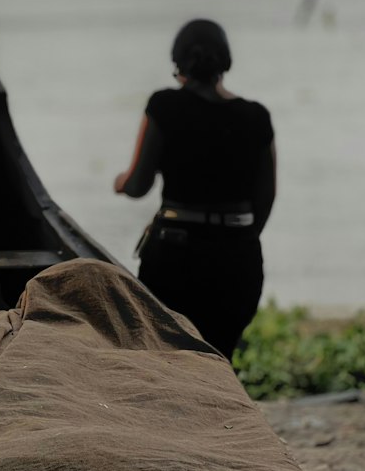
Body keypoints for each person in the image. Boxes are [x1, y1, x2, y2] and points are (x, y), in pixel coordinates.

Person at [113, 18, 275, 359]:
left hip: (175, 259)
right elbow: (264, 200)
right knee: (219, 357)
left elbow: (139, 184)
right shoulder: (257, 117)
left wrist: (121, 183)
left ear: (179, 65)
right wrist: (235, 241)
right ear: (225, 64)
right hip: (238, 263)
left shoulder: (164, 106)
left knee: (172, 362)